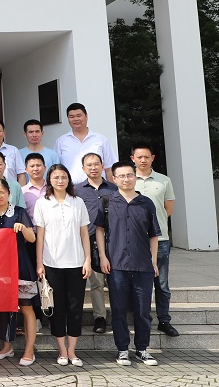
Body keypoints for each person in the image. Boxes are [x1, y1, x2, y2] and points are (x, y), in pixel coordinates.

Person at [97, 161, 162, 367]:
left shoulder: (146, 203)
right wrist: (103, 257)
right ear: (114, 179)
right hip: (116, 264)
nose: (126, 179)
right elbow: (99, 230)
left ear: (135, 177)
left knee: (143, 310)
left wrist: (153, 261)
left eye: (129, 175)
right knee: (119, 309)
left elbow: (154, 234)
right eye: (121, 176)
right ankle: (122, 350)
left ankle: (142, 349)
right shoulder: (107, 201)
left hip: (142, 265)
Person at [34, 163, 92, 367]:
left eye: (64, 177)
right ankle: (61, 351)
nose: (60, 180)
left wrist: (87, 259)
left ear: (69, 180)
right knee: (57, 308)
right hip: (52, 264)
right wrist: (39, 263)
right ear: (49, 180)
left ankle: (72, 351)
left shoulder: (78, 202)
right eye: (56, 177)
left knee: (75, 308)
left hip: (76, 263)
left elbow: (84, 234)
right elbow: (40, 236)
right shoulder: (42, 203)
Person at [131, 141, 179, 337]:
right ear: (132, 159)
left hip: (160, 239)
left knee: (162, 284)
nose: (143, 160)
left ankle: (164, 320)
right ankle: (141, 318)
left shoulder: (164, 180)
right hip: (134, 240)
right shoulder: (127, 179)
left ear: (152, 158)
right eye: (139, 157)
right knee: (137, 283)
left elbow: (168, 209)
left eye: (146, 156)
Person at [0, 178, 38, 366]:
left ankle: (29, 349)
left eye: (2, 192)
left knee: (26, 307)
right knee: (4, 309)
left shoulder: (19, 212)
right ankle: (6, 347)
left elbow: (32, 238)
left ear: (9, 193)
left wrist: (22, 228)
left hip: (20, 266)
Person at [76, 152, 116, 335]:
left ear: (102, 166)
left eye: (96, 164)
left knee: (116, 281)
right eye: (89, 165)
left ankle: (119, 315)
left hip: (113, 239)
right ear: (83, 168)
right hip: (89, 239)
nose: (93, 168)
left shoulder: (113, 188)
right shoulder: (77, 190)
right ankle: (100, 317)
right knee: (97, 282)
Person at [53, 102, 118, 184]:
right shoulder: (61, 141)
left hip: (98, 188)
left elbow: (109, 168)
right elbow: (56, 169)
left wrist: (113, 188)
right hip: (71, 188)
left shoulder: (101, 140)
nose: (75, 119)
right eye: (72, 117)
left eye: (79, 116)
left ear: (86, 116)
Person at [21, 152, 47, 220]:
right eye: (32, 166)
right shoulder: (22, 191)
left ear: (45, 168)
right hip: (31, 226)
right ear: (26, 170)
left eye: (38, 165)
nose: (35, 169)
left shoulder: (53, 189)